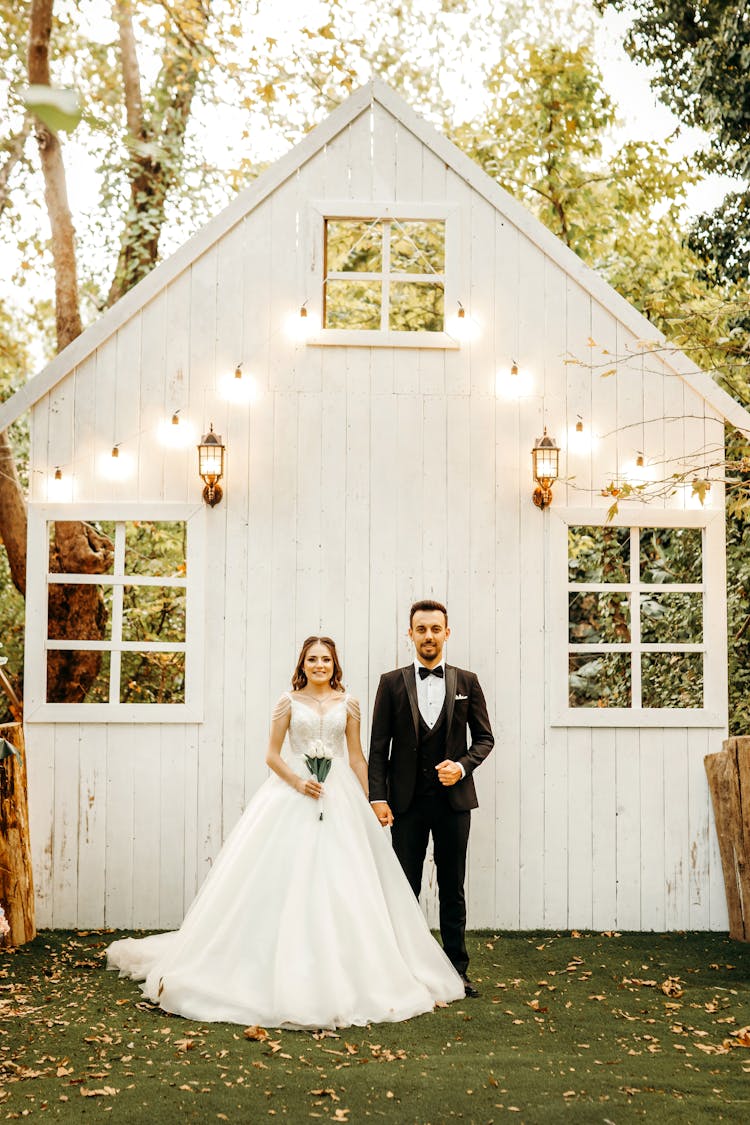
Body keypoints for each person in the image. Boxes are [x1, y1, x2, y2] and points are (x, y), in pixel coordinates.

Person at [107, 636, 464, 1029]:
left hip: (339, 794)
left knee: (345, 879)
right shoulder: (287, 702)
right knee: (280, 877)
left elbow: (358, 756)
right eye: (312, 659)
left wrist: (373, 799)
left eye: (326, 659)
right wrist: (298, 782)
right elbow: (272, 755)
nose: (319, 665)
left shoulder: (350, 704)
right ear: (303, 664)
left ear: (334, 664)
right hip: (293, 795)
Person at [368, 601, 494, 997]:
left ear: (447, 633)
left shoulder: (467, 682)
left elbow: (485, 739)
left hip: (454, 804)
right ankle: (401, 968)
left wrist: (462, 766)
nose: (428, 636)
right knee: (405, 888)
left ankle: (457, 970)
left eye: (435, 629)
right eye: (420, 629)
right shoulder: (390, 683)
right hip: (406, 804)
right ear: (410, 634)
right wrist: (378, 798)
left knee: (452, 886)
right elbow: (377, 747)